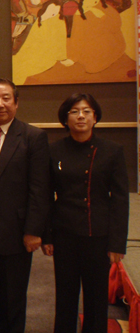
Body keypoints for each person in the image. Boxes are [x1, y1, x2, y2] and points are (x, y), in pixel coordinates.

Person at [42, 93, 129, 333]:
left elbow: (120, 199)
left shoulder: (112, 151)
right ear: (65, 118)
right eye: (74, 112)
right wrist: (47, 235)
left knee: (97, 297)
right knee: (65, 296)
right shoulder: (53, 151)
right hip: (64, 234)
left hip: (98, 235)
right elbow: (46, 196)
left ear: (95, 117)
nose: (80, 116)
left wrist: (117, 243)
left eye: (86, 111)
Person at [0, 78, 50, 333]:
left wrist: (34, 231)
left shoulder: (33, 137)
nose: (0, 104)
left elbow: (40, 189)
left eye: (6, 98)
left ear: (16, 103)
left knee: (11, 297)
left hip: (16, 232)